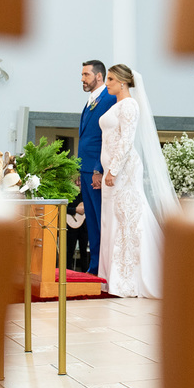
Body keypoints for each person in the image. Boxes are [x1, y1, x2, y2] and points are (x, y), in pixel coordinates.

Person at [98, 64, 180, 298]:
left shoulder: (130, 105)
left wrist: (113, 170)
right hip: (110, 171)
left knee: (129, 220)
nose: (107, 84)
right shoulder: (117, 105)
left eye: (111, 79)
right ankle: (111, 277)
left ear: (123, 82)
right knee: (111, 220)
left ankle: (129, 278)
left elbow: (126, 140)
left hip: (123, 170)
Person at [76, 60, 116, 273]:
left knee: (101, 220)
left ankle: (104, 267)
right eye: (82, 75)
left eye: (86, 74)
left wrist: (96, 169)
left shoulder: (109, 98)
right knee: (91, 221)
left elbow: (105, 137)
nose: (82, 79)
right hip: (85, 170)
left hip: (96, 170)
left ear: (98, 76)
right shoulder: (91, 100)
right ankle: (95, 267)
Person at [65, 200, 88, 272]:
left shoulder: (86, 193)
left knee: (84, 251)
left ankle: (85, 271)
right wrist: (75, 210)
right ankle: (68, 271)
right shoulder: (69, 193)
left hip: (85, 226)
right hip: (71, 224)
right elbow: (63, 208)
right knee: (69, 250)